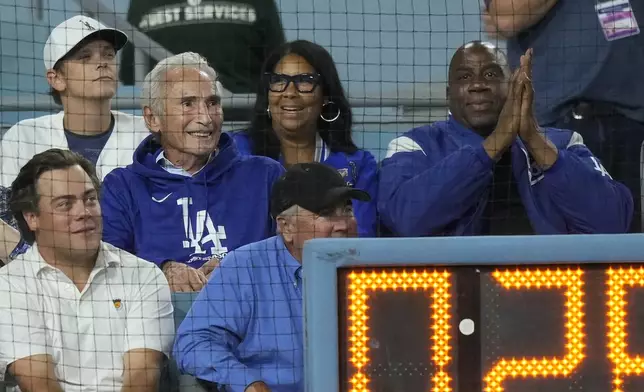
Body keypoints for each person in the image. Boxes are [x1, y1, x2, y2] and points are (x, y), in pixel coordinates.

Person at [378, 41, 633, 237]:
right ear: (448, 94)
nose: (478, 85)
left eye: (490, 74)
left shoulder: (564, 143)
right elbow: (405, 218)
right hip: (456, 294)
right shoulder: (416, 146)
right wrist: (494, 143)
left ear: (511, 85)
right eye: (465, 77)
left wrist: (534, 139)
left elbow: (611, 222)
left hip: (555, 291)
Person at [173, 162, 369, 392]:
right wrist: (246, 383)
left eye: (347, 210)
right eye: (325, 214)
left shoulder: (375, 267)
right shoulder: (246, 267)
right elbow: (193, 344)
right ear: (286, 227)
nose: (343, 225)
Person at [100, 52, 285, 293]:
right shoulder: (122, 187)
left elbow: (294, 255)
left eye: (212, 103)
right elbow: (108, 269)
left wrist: (240, 270)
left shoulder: (265, 176)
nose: (206, 118)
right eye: (188, 104)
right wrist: (160, 272)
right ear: (153, 118)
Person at [0, 149, 174, 392]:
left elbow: (141, 380)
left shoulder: (142, 276)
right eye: (65, 204)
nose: (84, 213)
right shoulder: (10, 285)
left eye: (90, 199)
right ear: (32, 218)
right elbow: (39, 383)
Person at [482, 0, 644, 232]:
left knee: (627, 251)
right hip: (554, 130)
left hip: (631, 125)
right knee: (562, 252)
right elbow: (507, 15)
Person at [0, 15, 149, 263]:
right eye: (85, 57)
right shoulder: (24, 135)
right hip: (40, 281)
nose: (102, 63)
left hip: (130, 272)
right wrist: (33, 263)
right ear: (56, 78)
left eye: (108, 54)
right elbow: (5, 217)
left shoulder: (146, 134)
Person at [231, 40, 378, 237]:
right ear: (267, 94)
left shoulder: (358, 166)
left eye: (305, 81)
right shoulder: (237, 153)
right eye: (279, 81)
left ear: (325, 96)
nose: (290, 93)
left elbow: (361, 235)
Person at [119, 0, 286, 93]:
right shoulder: (142, 3)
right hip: (173, 124)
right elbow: (129, 71)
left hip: (243, 121)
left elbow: (278, 64)